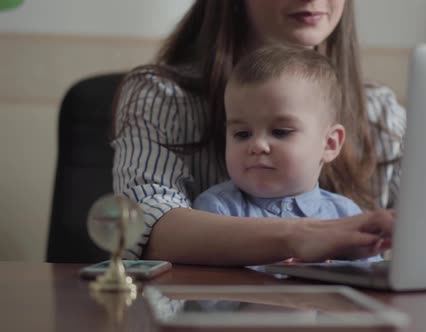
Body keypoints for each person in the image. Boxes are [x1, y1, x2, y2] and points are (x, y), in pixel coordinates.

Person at [111, 0, 406, 266]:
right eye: (241, 133)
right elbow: (142, 227)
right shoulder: (162, 97)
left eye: (281, 131)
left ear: (332, 142)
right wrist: (300, 236)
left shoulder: (382, 113)